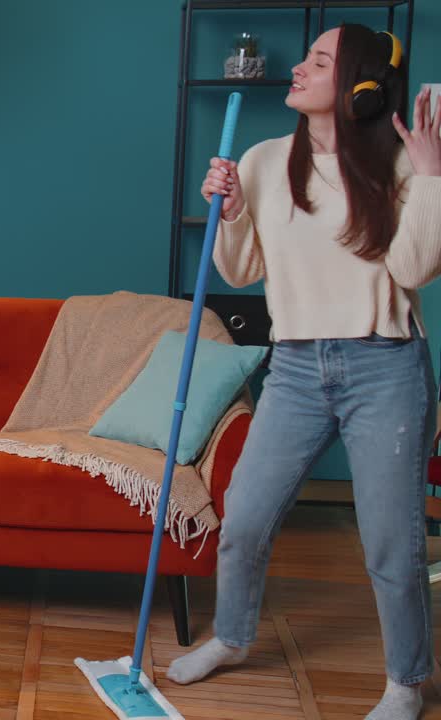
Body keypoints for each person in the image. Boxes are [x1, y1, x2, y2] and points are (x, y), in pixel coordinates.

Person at [166, 23, 441, 720]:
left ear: (359, 85)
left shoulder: (401, 164)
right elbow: (240, 268)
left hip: (386, 367)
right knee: (245, 519)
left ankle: (406, 681)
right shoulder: (262, 161)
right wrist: (228, 212)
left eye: (319, 60)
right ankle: (231, 636)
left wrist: (435, 178)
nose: (298, 67)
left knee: (392, 540)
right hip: (295, 367)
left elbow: (414, 270)